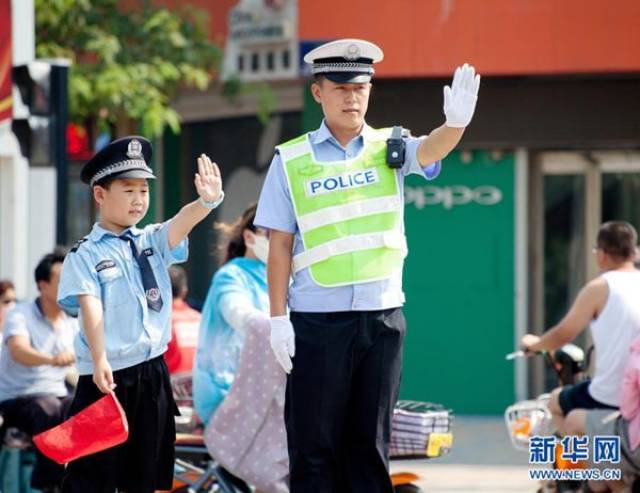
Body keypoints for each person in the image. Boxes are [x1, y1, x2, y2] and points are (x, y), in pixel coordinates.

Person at [255, 38, 480, 492]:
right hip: (318, 322)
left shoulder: (389, 146)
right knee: (314, 450)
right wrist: (278, 319)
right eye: (340, 87)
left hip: (381, 320)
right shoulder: (291, 160)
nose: (352, 96)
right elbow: (279, 246)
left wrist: (455, 124)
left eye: (361, 86)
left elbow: (432, 149)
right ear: (318, 92)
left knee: (370, 447)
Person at [57, 136, 224, 493]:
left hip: (152, 374)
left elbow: (180, 223)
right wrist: (99, 357)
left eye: (143, 191)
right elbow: (91, 306)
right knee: (91, 477)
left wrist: (207, 202)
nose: (139, 200)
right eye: (128, 190)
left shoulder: (150, 241)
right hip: (106, 379)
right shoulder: (83, 254)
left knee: (146, 475)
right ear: (100, 195)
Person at [194, 203, 288, 492]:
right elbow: (238, 311)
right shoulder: (231, 276)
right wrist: (269, 325)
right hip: (227, 393)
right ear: (250, 237)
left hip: (266, 392)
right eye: (270, 234)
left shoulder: (286, 277)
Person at [521, 221, 640, 437]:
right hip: (636, 393)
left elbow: (564, 333)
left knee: (555, 402)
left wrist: (534, 345)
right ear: (634, 252)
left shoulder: (600, 287)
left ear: (602, 254)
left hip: (611, 395)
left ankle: (583, 467)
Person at [0, 251, 78, 492]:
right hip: (17, 398)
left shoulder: (72, 322)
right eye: (62, 279)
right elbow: (18, 350)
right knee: (50, 408)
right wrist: (53, 360)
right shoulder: (20, 314)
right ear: (42, 285)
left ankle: (80, 479)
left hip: (55, 394)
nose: (70, 286)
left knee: (83, 406)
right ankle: (48, 485)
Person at [164, 265, 201, 375]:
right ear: (184, 291)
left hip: (172, 382)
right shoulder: (200, 319)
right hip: (198, 381)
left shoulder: (162, 323)